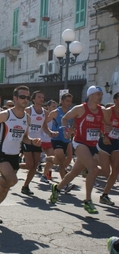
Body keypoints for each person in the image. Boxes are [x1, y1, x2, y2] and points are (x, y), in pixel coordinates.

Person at [0, 85, 42, 223]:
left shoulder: (27, 118)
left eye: (27, 97)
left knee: (6, 187)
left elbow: (25, 137)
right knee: (13, 180)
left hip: (15, 155)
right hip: (1, 153)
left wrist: (33, 141)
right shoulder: (6, 114)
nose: (25, 99)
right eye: (22, 97)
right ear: (15, 98)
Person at [50, 86, 106, 214]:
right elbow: (65, 118)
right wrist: (66, 131)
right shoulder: (80, 108)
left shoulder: (102, 110)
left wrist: (104, 132)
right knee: (93, 168)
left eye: (101, 94)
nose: (100, 96)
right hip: (80, 143)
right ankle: (87, 201)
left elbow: (103, 125)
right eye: (98, 94)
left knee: (74, 172)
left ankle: (57, 188)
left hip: (93, 144)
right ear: (90, 95)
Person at [20, 91, 57, 195]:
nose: (41, 99)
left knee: (34, 165)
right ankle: (15, 165)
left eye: (43, 97)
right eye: (39, 97)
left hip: (38, 141)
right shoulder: (28, 110)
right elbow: (22, 125)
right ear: (34, 99)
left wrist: (51, 133)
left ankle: (25, 186)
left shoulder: (45, 113)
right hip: (27, 140)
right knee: (29, 164)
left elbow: (44, 127)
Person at [45, 93, 74, 190]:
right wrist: (50, 132)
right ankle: (65, 184)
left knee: (60, 160)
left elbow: (74, 125)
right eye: (67, 101)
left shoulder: (71, 113)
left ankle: (49, 159)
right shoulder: (55, 112)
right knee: (61, 161)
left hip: (66, 139)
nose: (69, 103)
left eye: (70, 101)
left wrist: (71, 131)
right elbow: (44, 124)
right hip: (56, 139)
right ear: (61, 101)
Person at [97, 92, 119, 206]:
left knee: (115, 170)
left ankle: (104, 195)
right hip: (104, 142)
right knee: (105, 171)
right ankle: (90, 170)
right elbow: (97, 125)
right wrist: (104, 136)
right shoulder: (108, 111)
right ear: (115, 100)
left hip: (115, 142)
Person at [39, 100, 57, 183]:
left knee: (51, 159)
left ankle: (45, 175)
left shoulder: (56, 117)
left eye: (55, 106)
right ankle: (40, 161)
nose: (54, 108)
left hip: (51, 141)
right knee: (37, 160)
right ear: (48, 107)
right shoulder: (44, 116)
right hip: (42, 140)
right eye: (53, 106)